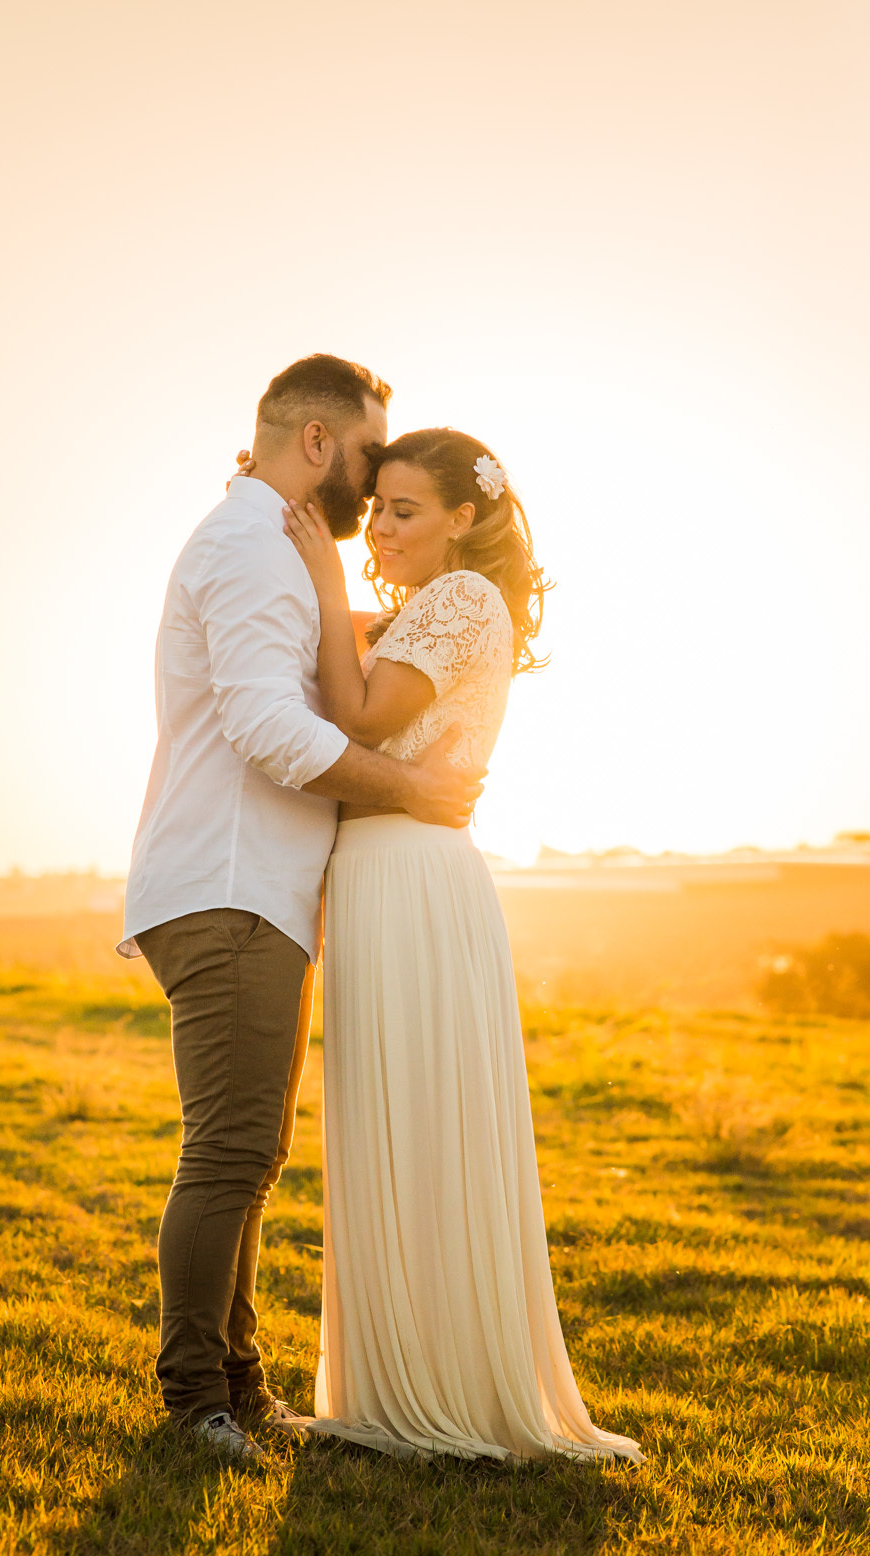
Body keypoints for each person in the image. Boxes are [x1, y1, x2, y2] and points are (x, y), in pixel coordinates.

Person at [118, 358, 484, 1468]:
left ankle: (242, 1380)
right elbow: (271, 727)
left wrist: (421, 613)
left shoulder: (269, 549)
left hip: (252, 893)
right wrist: (415, 791)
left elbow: (324, 664)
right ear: (319, 444)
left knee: (250, 1149)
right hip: (227, 887)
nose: (373, 489)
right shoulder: (247, 549)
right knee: (228, 1150)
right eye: (370, 459)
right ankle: (196, 1397)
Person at [282, 427, 645, 1464]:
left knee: (421, 1114)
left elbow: (353, 711)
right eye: (377, 509)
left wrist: (314, 567)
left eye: (403, 510)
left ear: (463, 517)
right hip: (384, 874)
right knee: (396, 1117)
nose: (379, 529)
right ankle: (401, 1377)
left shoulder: (458, 602)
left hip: (408, 872)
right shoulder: (419, 609)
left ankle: (435, 1389)